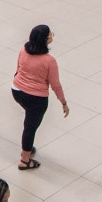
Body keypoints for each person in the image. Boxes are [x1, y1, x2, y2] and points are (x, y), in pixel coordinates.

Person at [12, 25, 69, 169]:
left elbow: (18, 69)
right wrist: (63, 102)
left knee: (29, 121)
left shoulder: (24, 50)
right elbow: (55, 85)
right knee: (30, 127)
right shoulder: (49, 61)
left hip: (17, 91)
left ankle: (28, 148)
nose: (52, 36)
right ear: (45, 40)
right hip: (36, 99)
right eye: (51, 35)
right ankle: (25, 160)